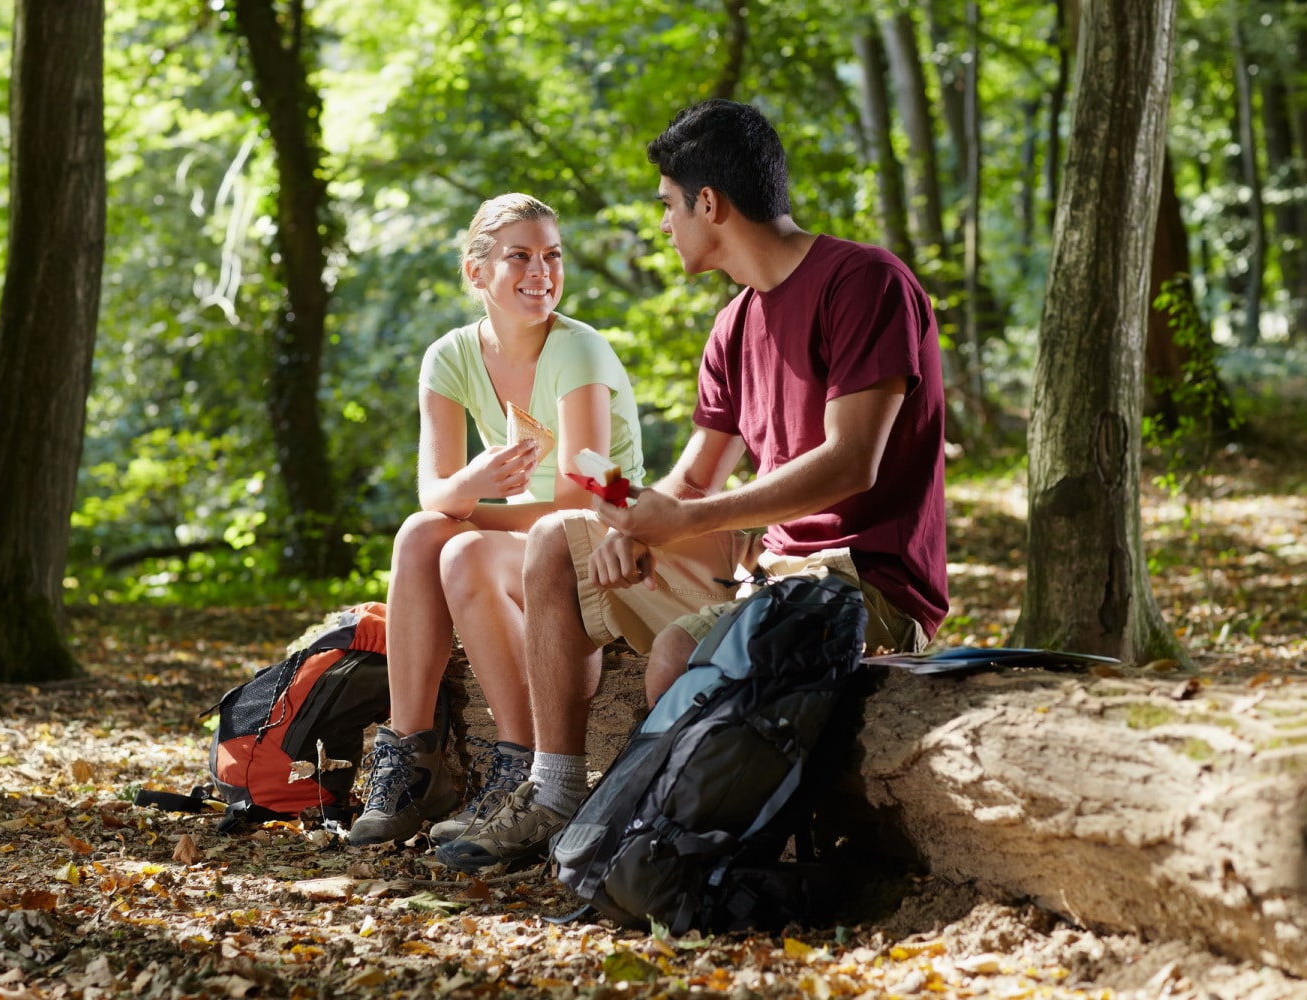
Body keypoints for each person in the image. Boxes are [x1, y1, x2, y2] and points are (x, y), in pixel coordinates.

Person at [436, 100, 948, 872]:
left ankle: (672, 853)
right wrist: (632, 528)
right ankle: (555, 792)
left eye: (670, 205)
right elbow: (695, 476)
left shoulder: (865, 283)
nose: (666, 224)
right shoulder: (734, 326)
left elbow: (851, 463)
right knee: (554, 543)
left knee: (678, 651)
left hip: (861, 586)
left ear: (709, 203)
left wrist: (678, 518)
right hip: (764, 578)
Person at [346, 194, 646, 846]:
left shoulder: (579, 352)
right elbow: (434, 491)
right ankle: (409, 759)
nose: (542, 271)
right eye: (521, 256)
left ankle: (519, 768)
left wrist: (467, 505)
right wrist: (470, 490)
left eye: (552, 256)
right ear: (476, 272)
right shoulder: (449, 358)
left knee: (459, 548)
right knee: (419, 534)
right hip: (524, 533)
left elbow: (580, 495)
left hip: (598, 535)